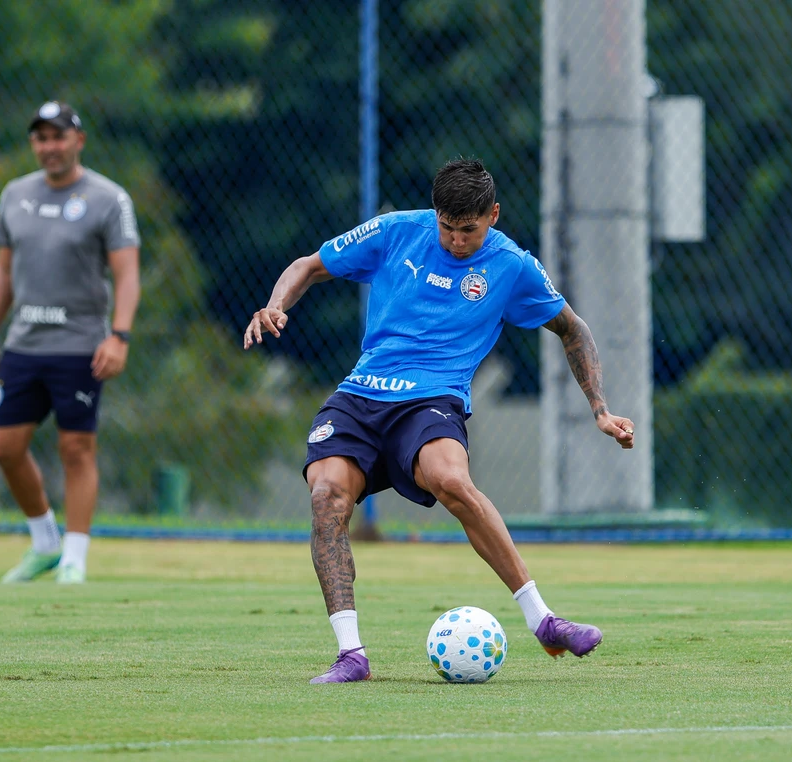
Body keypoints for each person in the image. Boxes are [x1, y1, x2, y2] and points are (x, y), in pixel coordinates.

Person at [243, 158, 634, 683]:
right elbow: (308, 265)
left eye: (468, 230)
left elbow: (573, 329)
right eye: (446, 228)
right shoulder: (395, 231)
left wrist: (600, 409)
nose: (455, 241)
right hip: (361, 395)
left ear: (492, 215)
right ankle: (351, 655)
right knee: (326, 496)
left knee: (452, 480)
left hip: (432, 400)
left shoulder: (512, 266)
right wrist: (274, 304)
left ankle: (543, 621)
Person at [0, 101, 141, 585]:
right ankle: (44, 542)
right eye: (41, 138)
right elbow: (4, 271)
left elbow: (127, 274)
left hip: (81, 344)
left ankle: (74, 557)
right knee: (4, 446)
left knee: (76, 448)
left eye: (58, 137)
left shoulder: (108, 198)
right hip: (24, 343)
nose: (50, 147)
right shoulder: (15, 195)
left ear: (78, 141)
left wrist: (119, 335)